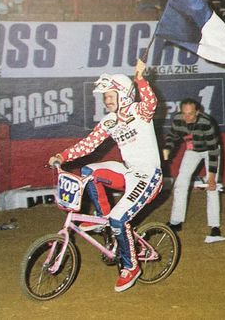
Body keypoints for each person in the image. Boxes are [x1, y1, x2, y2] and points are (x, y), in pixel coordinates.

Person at [49, 59, 162, 292]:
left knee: (120, 219)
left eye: (110, 95)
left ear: (124, 94)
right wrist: (62, 156)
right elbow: (88, 145)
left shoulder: (139, 111)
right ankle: (106, 220)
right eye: (104, 97)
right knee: (89, 171)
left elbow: (151, 102)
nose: (106, 100)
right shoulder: (109, 122)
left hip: (148, 176)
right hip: (129, 171)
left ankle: (131, 267)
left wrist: (140, 79)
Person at [163, 98, 222, 237]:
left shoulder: (206, 122)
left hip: (210, 150)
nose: (187, 117)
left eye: (190, 114)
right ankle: (176, 222)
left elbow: (213, 150)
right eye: (184, 113)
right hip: (193, 150)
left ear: (198, 112)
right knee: (180, 183)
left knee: (211, 186)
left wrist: (212, 177)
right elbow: (172, 136)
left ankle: (215, 226)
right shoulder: (178, 119)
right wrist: (167, 148)